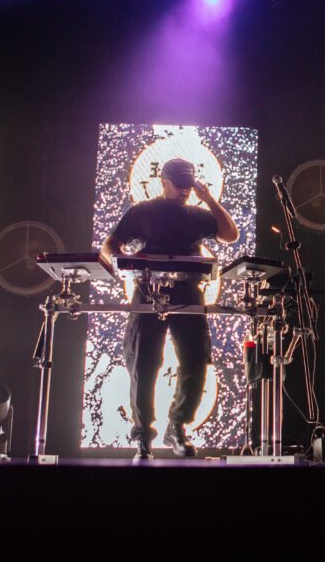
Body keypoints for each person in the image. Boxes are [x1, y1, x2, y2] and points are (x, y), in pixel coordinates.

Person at [101, 158, 239, 461]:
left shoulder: (197, 214)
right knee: (143, 362)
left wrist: (208, 198)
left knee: (195, 358)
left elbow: (230, 234)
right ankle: (142, 436)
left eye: (188, 186)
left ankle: (177, 426)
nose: (184, 191)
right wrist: (125, 266)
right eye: (179, 186)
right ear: (164, 182)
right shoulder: (142, 211)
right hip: (147, 288)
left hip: (188, 289)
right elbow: (109, 245)